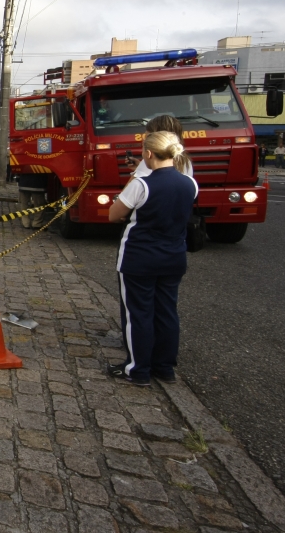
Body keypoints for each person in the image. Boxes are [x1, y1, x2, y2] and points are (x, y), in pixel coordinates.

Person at [107, 131, 198, 386]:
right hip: (174, 256)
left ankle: (138, 369)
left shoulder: (141, 184)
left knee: (138, 314)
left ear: (148, 153)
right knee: (167, 311)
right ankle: (165, 367)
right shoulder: (190, 183)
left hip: (139, 257)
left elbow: (114, 215)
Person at [129, 115, 193, 178]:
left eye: (148, 137)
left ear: (159, 137)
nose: (144, 141)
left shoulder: (153, 160)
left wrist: (140, 169)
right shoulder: (186, 161)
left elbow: (133, 184)